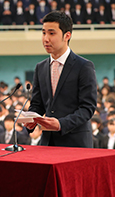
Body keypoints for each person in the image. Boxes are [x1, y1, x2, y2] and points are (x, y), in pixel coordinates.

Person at [24, 11, 97, 148]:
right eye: (43, 33)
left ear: (67, 36)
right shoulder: (41, 67)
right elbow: (38, 104)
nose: (46, 38)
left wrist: (61, 124)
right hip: (47, 142)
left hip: (75, 142)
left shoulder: (84, 66)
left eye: (52, 33)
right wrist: (30, 119)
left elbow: (87, 108)